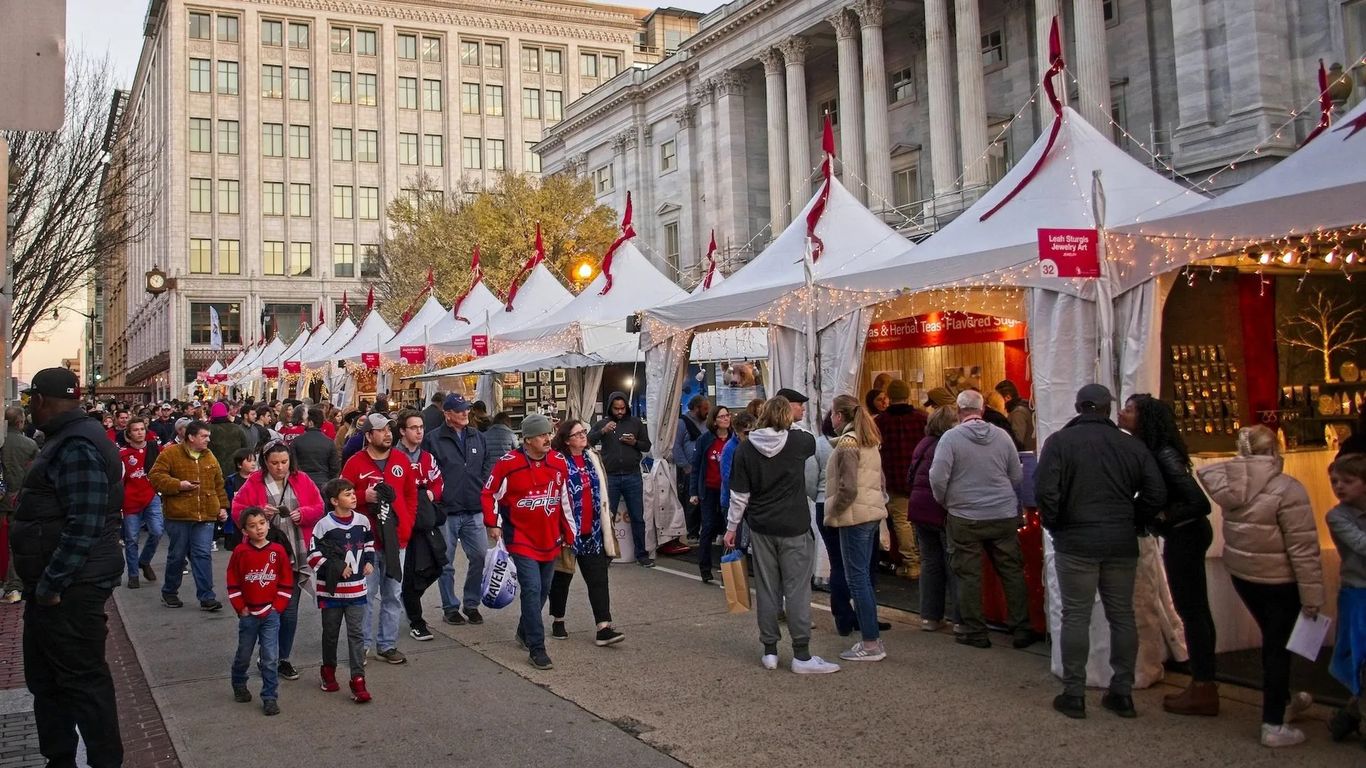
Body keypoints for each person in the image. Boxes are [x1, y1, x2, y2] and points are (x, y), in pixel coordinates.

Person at [10, 368, 125, 766]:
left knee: (82, 681)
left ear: (41, 400)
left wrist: (54, 581)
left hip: (71, 587)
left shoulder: (77, 444)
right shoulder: (66, 439)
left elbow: (86, 521)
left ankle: (102, 760)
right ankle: (58, 757)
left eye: (31, 401)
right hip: (57, 583)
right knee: (48, 680)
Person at [1036, 384, 1166, 720]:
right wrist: (1133, 520)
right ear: (1108, 409)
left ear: (1079, 407)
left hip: (1076, 539)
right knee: (1122, 614)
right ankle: (1121, 690)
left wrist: (1057, 525)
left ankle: (1074, 691)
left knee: (1076, 615)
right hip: (1119, 539)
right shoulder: (1130, 446)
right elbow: (1155, 491)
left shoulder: (1060, 443)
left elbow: (1045, 492)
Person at [1196, 426, 1323, 747]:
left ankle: (1281, 703)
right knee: (1277, 648)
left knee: (1274, 642)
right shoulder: (1287, 489)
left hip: (1245, 574)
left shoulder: (1233, 484)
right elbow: (1303, 548)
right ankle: (1273, 721)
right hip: (1279, 580)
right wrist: (1313, 596)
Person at [724, 397, 840, 675]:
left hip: (761, 527)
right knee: (797, 589)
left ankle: (770, 651)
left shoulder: (745, 448)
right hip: (795, 525)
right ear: (787, 416)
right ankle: (801, 653)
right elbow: (812, 437)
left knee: (766, 588)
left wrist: (731, 528)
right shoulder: (798, 443)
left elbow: (739, 495)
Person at [1119, 394, 1218, 716]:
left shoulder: (1163, 454)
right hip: (1182, 533)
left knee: (1193, 610)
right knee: (1193, 609)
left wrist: (1161, 517)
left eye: (1130, 410)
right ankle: (1203, 684)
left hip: (1186, 534)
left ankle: (1204, 685)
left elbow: (1198, 502)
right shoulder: (1154, 451)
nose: (1123, 413)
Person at [929, 390, 1029, 650]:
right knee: (1011, 572)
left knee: (968, 574)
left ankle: (975, 631)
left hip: (965, 515)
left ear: (959, 411)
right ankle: (1021, 627)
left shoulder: (951, 439)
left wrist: (946, 501)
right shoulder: (1002, 436)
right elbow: (1017, 475)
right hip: (1003, 513)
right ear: (982, 410)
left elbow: (938, 476)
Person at [482, 413, 576, 670]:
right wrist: (493, 523)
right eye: (542, 435)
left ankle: (524, 630)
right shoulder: (508, 464)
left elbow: (565, 499)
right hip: (520, 539)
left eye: (549, 433)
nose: (548, 439)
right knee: (532, 589)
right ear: (527, 440)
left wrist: (570, 531)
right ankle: (537, 647)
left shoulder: (558, 462)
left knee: (542, 591)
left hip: (550, 539)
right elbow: (489, 492)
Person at [231, 441, 325, 683]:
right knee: (263, 609)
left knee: (289, 611)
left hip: (293, 552)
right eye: (274, 463)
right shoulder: (254, 482)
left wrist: (303, 513)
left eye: (284, 462)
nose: (280, 467)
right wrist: (257, 513)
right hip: (261, 556)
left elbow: (319, 506)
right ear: (265, 463)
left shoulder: (302, 479)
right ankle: (267, 656)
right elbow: (237, 509)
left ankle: (281, 657)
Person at [341, 413, 418, 665]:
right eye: (381, 430)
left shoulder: (401, 460)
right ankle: (361, 645)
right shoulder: (354, 463)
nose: (388, 434)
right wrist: (364, 497)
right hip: (366, 543)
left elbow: (410, 496)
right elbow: (341, 498)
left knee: (393, 594)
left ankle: (387, 644)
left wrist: (407, 524)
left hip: (397, 541)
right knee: (365, 594)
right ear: (368, 435)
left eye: (389, 429)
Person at [547, 419, 625, 646]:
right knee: (562, 578)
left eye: (584, 432)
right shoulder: (558, 461)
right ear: (566, 440)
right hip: (567, 530)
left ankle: (604, 626)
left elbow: (602, 491)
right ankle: (558, 619)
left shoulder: (593, 458)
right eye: (577, 433)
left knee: (598, 578)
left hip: (593, 529)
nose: (583, 436)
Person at [824, 394, 889, 662]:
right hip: (870, 512)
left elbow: (848, 487)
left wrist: (834, 510)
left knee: (857, 579)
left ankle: (871, 642)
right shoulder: (869, 441)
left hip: (854, 516)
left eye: (832, 413)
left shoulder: (849, 443)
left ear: (839, 415)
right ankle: (872, 638)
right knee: (862, 578)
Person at [425, 395, 491, 627]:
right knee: (446, 562)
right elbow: (427, 472)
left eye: (466, 409)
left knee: (480, 556)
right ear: (448, 414)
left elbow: (487, 466)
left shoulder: (477, 437)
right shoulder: (433, 439)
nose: (465, 413)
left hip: (474, 508)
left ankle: (471, 603)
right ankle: (450, 607)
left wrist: (481, 488)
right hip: (447, 511)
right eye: (460, 410)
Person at [149, 420, 229, 611]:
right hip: (179, 515)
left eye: (208, 436)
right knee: (177, 555)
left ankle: (207, 596)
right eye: (204, 436)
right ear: (191, 437)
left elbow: (219, 483)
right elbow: (155, 476)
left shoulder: (210, 456)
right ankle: (169, 592)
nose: (208, 440)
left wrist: (223, 507)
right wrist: (179, 485)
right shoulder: (170, 453)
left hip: (206, 515)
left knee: (202, 554)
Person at [310, 478, 376, 703]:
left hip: (357, 590)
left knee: (356, 634)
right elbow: (313, 556)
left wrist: (369, 561)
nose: (354, 497)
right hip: (331, 593)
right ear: (334, 501)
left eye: (353, 493)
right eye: (347, 494)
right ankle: (328, 672)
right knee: (330, 633)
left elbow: (369, 543)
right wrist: (336, 567)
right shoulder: (323, 525)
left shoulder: (363, 521)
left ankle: (358, 680)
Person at [226, 507, 293, 716]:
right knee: (244, 654)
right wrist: (240, 607)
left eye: (262, 523)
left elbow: (285, 582)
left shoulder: (277, 551)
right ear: (245, 531)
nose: (259, 529)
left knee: (270, 657)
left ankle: (270, 697)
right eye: (253, 526)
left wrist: (277, 607)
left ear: (268, 524)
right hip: (249, 614)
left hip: (271, 613)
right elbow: (233, 581)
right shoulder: (241, 552)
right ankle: (238, 681)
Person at [389, 408, 446, 640]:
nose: (419, 432)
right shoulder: (393, 457)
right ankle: (416, 620)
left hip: (425, 521)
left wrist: (430, 495)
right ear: (402, 431)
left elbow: (438, 482)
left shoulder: (427, 457)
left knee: (438, 563)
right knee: (411, 572)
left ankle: (410, 597)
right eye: (413, 428)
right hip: (400, 523)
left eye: (421, 427)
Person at [908, 405, 960, 632]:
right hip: (940, 509)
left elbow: (911, 475)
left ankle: (930, 617)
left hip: (919, 508)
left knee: (929, 564)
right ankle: (961, 619)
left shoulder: (923, 444)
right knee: (953, 564)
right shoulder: (946, 445)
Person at [588, 391, 653, 567]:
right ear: (611, 407)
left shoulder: (635, 423)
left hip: (632, 475)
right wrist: (602, 431)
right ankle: (607, 555)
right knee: (608, 517)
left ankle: (642, 554)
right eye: (616, 408)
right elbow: (587, 442)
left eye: (622, 408)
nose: (620, 412)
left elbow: (647, 445)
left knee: (637, 516)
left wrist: (634, 443)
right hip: (611, 477)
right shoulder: (603, 423)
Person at [874, 379, 926, 579]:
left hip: (894, 480)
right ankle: (922, 561)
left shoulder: (880, 422)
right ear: (908, 394)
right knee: (920, 523)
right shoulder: (922, 418)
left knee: (902, 523)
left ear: (889, 396)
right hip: (921, 480)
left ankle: (912, 564)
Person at [119, 416, 163, 589]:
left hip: (151, 496)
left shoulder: (154, 449)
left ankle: (144, 560)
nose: (139, 432)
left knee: (157, 531)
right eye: (135, 430)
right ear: (129, 434)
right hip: (130, 500)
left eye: (142, 429)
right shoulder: (123, 455)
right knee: (131, 539)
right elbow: (119, 480)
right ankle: (133, 574)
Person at [690, 405, 733, 583]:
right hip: (708, 489)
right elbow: (696, 466)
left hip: (728, 490)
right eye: (722, 416)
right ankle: (705, 568)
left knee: (728, 529)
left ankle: (728, 571)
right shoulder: (705, 440)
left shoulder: (734, 439)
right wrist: (694, 492)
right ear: (714, 421)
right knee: (707, 528)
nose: (726, 419)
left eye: (727, 415)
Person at [1, 406, 39, 602]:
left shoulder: (2, 442)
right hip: (20, 499)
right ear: (20, 422)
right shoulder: (29, 444)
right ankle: (14, 586)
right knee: (14, 544)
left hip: (2, 499)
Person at [674, 394, 710, 543]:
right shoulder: (682, 423)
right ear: (696, 408)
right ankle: (691, 531)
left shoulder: (706, 423)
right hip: (691, 469)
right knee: (691, 502)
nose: (707, 412)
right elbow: (676, 446)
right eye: (705, 409)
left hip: (705, 468)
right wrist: (685, 466)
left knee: (705, 500)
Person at [293, 407, 341, 493]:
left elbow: (293, 463)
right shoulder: (329, 442)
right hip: (323, 481)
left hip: (302, 481)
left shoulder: (297, 441)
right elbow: (335, 467)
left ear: (310, 422)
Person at [222, 448, 257, 550]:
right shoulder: (231, 480)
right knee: (238, 550)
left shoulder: (258, 479)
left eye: (254, 460)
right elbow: (227, 499)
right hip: (235, 523)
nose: (253, 464)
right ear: (239, 464)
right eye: (249, 461)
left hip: (253, 520)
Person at [206, 401, 247, 479]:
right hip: (234, 472)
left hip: (212, 471)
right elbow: (245, 449)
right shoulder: (237, 429)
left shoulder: (206, 429)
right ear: (226, 414)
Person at [996, 380, 1036, 451]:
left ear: (1007, 397)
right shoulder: (1024, 407)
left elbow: (1016, 441)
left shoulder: (1018, 413)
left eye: (998, 399)